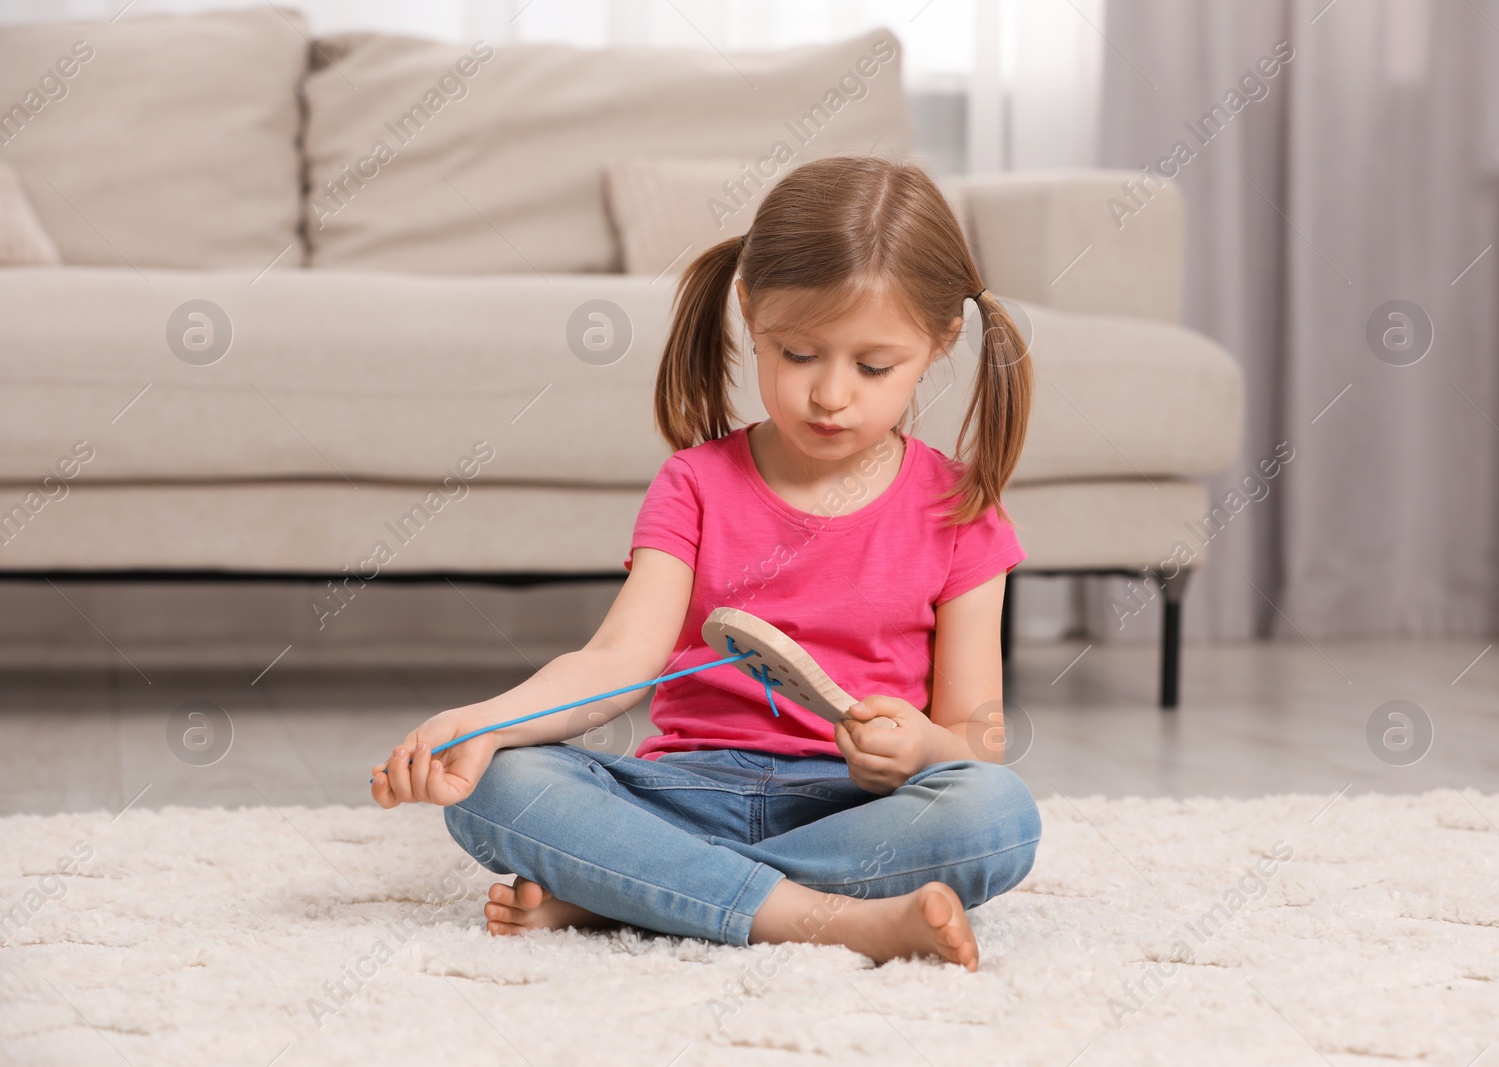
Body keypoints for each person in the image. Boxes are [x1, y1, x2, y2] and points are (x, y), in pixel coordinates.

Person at [371, 154, 1041, 972]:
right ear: (750, 312)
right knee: (497, 789)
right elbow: (617, 660)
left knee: (999, 814)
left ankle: (631, 890)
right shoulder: (694, 484)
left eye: (873, 367)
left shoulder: (962, 510)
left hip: (855, 806)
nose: (831, 394)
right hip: (683, 797)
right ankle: (825, 916)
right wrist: (483, 722)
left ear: (938, 344)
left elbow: (981, 734)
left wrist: (929, 751)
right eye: (798, 354)